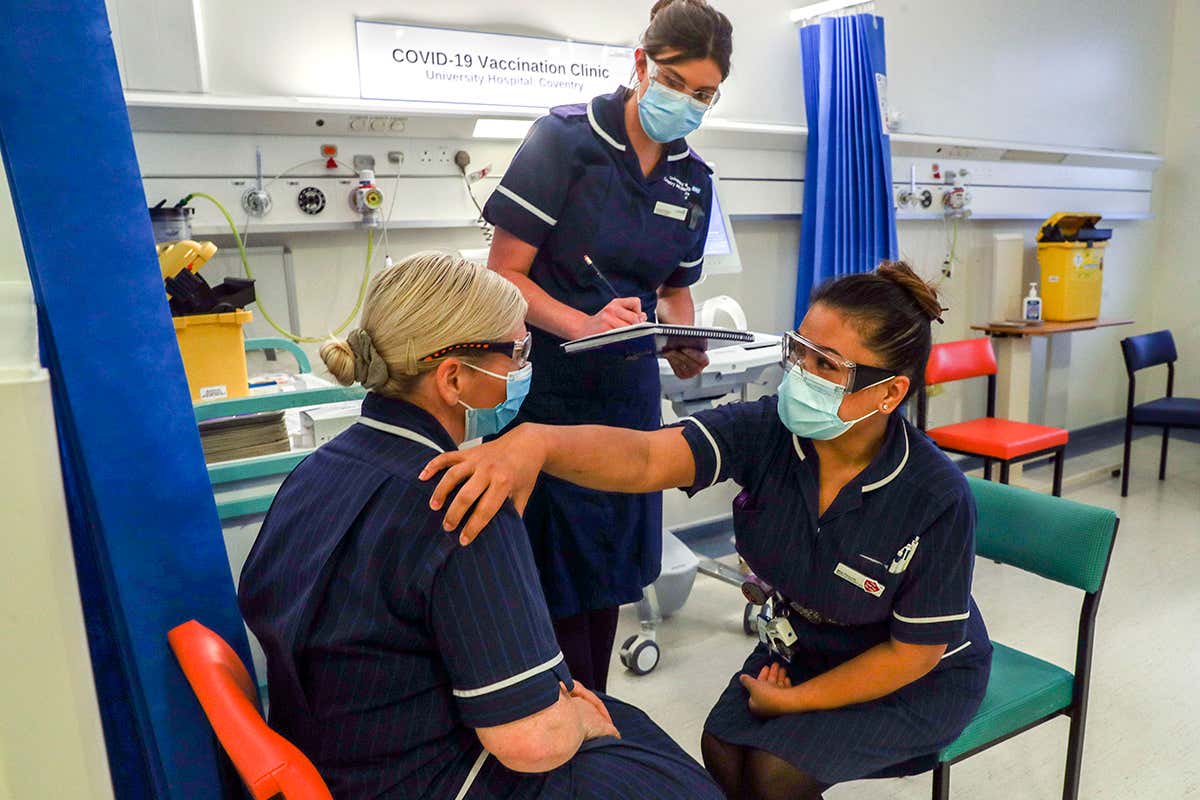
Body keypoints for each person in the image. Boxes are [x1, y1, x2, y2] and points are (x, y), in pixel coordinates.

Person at [421, 262, 994, 800]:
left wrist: (796, 702)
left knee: (774, 774)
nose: (800, 374)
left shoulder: (932, 495)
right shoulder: (769, 432)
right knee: (722, 750)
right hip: (805, 645)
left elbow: (913, 655)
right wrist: (536, 443)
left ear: (889, 392)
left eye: (827, 365)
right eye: (799, 351)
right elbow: (646, 458)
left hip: (913, 675)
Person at [237, 252, 724, 800]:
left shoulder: (315, 471)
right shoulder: (465, 505)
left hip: (331, 754)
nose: (523, 369)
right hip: (426, 779)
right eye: (517, 352)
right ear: (452, 377)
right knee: (648, 754)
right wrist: (581, 720)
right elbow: (534, 743)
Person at [481, 0, 733, 692]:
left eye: (705, 94)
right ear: (642, 64)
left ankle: (592, 720)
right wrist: (582, 323)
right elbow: (503, 277)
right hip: (550, 397)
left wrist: (683, 340)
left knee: (609, 585)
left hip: (629, 402)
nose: (688, 102)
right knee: (553, 588)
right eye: (677, 83)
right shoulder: (563, 141)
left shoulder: (694, 179)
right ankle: (554, 725)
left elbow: (676, 289)